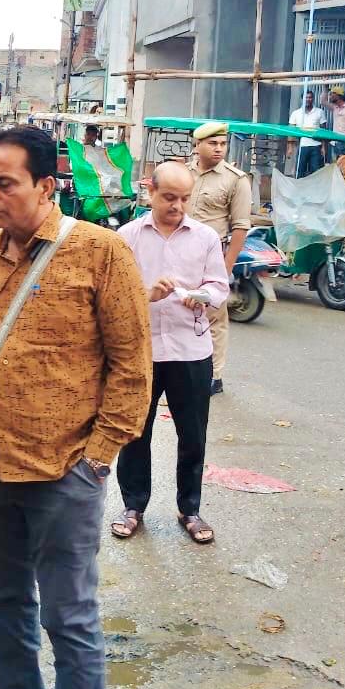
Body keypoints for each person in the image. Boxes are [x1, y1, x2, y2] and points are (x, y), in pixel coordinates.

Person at [0, 125, 151, 689]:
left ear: (45, 186)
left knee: (70, 619)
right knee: (6, 601)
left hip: (65, 469)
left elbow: (132, 364)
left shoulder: (100, 251)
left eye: (4, 183)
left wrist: (98, 458)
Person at [112, 162, 229, 547]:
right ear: (151, 192)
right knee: (135, 432)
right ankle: (133, 506)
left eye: (184, 199)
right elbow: (114, 293)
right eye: (168, 197)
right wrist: (147, 294)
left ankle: (189, 509)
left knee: (192, 434)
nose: (177, 206)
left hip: (190, 349)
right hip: (141, 350)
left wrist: (202, 296)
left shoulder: (205, 238)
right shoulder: (127, 237)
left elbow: (219, 286)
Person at [186, 122, 251, 397]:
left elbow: (240, 227)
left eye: (223, 144)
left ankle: (214, 375)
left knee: (213, 317)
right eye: (213, 143)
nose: (219, 149)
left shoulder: (236, 179)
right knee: (180, 311)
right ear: (198, 145)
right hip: (181, 253)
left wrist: (226, 268)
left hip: (212, 256)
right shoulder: (183, 173)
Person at [289, 89, 327, 177]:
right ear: (302, 99)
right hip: (302, 146)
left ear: (313, 99)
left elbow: (324, 131)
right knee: (299, 171)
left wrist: (323, 147)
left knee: (315, 172)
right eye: (306, 97)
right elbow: (290, 132)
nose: (308, 99)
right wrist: (290, 147)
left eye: (310, 97)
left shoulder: (319, 112)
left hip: (316, 146)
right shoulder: (296, 113)